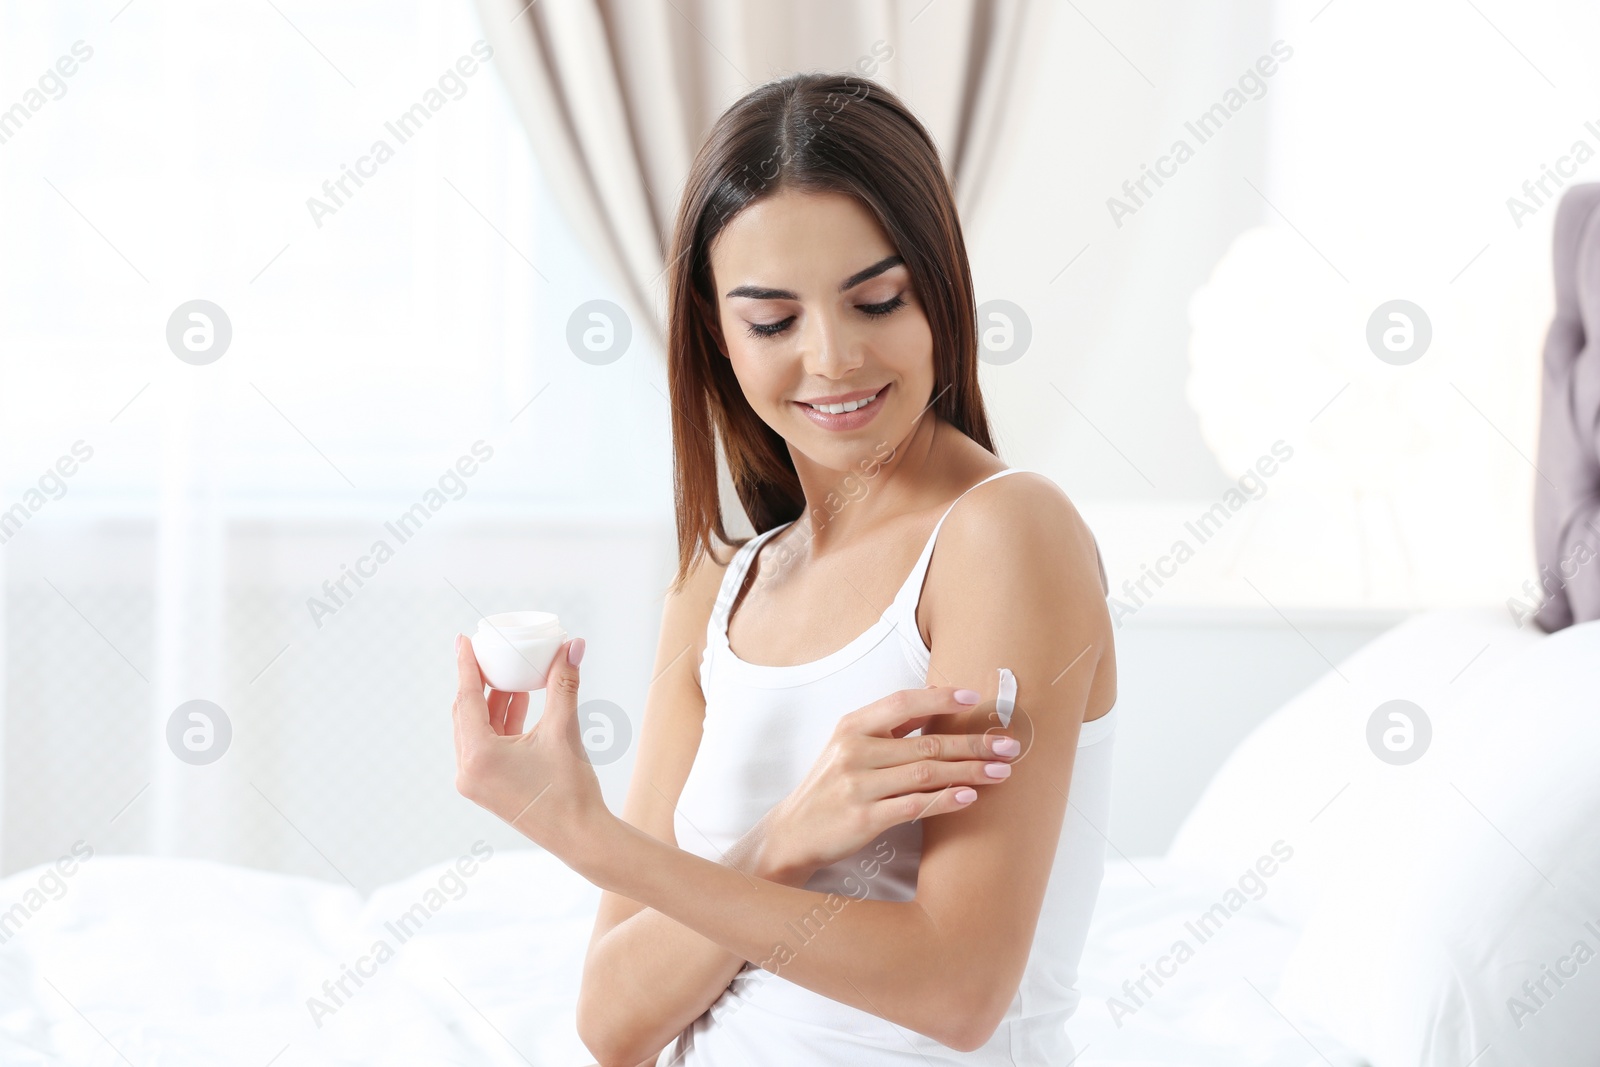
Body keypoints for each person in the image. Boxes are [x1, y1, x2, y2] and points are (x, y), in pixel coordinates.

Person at [450, 70, 1118, 1066]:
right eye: (772, 321)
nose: (835, 357)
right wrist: (780, 839)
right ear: (716, 336)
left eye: (877, 299)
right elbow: (614, 1023)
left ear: (939, 289)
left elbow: (959, 987)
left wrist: (594, 839)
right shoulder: (717, 585)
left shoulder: (1003, 533)